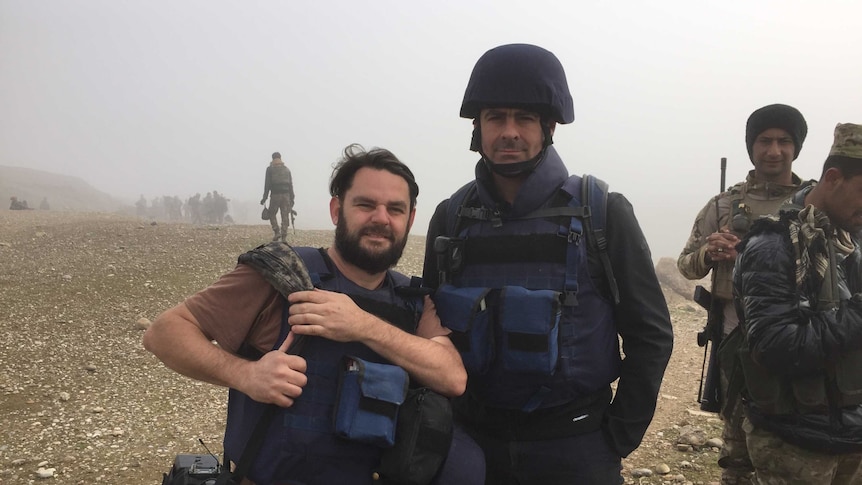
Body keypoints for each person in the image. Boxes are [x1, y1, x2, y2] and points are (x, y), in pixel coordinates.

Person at [144, 144, 484, 485]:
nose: (381, 218)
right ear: (337, 210)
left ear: (410, 219)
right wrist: (246, 375)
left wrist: (363, 325)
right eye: (365, 205)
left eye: (395, 209)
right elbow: (165, 332)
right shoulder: (281, 276)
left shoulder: (412, 300)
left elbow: (452, 377)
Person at [422, 43, 674, 484]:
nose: (509, 132)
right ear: (478, 128)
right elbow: (425, 328)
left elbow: (650, 333)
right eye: (495, 117)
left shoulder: (603, 212)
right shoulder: (451, 217)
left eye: (524, 118)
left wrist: (618, 436)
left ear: (549, 126)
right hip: (472, 443)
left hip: (575, 446)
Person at [677, 103, 808, 484]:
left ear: (795, 147)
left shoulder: (812, 205)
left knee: (794, 434)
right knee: (735, 444)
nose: (774, 150)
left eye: (784, 141)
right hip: (733, 335)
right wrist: (709, 251)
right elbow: (687, 265)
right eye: (764, 141)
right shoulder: (721, 205)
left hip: (795, 333)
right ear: (751, 147)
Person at [733, 123, 862, 484]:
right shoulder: (774, 244)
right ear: (833, 178)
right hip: (798, 443)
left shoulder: (853, 238)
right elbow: (776, 346)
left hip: (853, 436)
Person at [260, 151, 296, 242]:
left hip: (275, 195)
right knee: (285, 215)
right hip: (286, 196)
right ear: (280, 158)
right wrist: (292, 198)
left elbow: (267, 185)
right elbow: (290, 185)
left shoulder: (270, 169)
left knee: (272, 214)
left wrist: (264, 198)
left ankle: (277, 232)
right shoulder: (287, 169)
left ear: (272, 159)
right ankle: (284, 237)